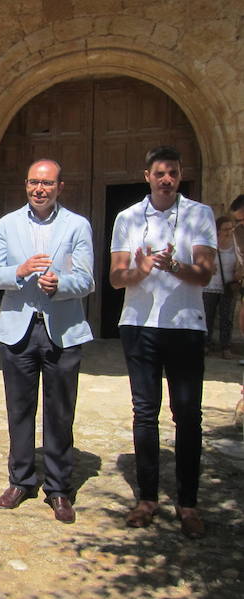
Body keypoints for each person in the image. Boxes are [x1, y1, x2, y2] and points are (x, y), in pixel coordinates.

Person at [109, 145, 216, 539]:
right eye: (160, 173)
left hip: (186, 324)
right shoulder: (128, 218)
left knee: (188, 415)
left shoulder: (199, 215)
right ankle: (148, 498)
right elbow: (115, 278)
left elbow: (205, 273)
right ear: (147, 176)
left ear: (180, 176)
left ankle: (188, 502)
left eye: (172, 173)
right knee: (144, 412)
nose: (166, 179)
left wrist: (174, 265)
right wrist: (139, 270)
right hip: (139, 324)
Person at [0, 160, 95, 524]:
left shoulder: (77, 225)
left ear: (60, 186)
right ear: (26, 185)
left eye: (46, 183)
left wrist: (60, 285)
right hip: (19, 328)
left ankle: (59, 488)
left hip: (61, 328)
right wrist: (19, 271)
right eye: (33, 182)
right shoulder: (8, 224)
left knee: (60, 411)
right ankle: (21, 479)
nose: (39, 189)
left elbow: (87, 279)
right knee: (19, 409)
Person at [202, 215, 236, 359]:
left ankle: (225, 347)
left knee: (226, 318)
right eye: (225, 229)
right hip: (210, 286)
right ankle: (206, 345)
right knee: (208, 316)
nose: (229, 232)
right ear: (218, 231)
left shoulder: (236, 247)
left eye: (231, 228)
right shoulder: (212, 246)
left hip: (228, 286)